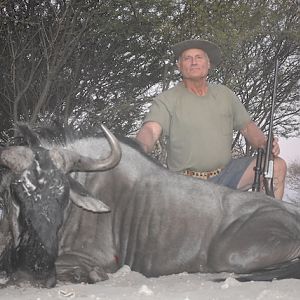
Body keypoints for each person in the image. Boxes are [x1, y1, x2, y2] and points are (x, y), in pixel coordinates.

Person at [136, 39, 287, 200]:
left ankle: (269, 223)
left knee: (277, 166)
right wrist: (136, 149)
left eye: (199, 57)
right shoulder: (166, 99)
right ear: (179, 66)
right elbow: (151, 130)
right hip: (185, 181)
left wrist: (264, 143)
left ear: (209, 64)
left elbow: (247, 127)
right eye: (187, 58)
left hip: (227, 174)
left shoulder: (225, 94)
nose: (194, 62)